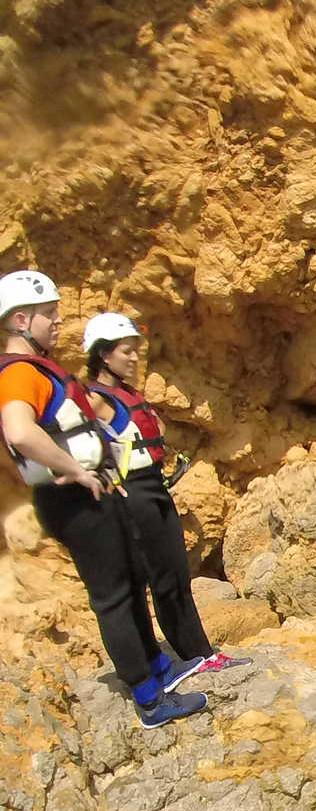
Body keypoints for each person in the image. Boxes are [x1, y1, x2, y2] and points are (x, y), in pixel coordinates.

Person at [0, 271, 205, 727]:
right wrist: (75, 469)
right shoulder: (18, 373)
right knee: (113, 595)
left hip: (95, 492)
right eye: (48, 315)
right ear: (19, 320)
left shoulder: (37, 370)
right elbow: (19, 430)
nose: (57, 322)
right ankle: (149, 700)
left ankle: (160, 669)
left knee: (133, 580)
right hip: (72, 497)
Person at [83, 313, 250, 681]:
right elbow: (71, 441)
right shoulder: (96, 398)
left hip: (154, 489)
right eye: (125, 352)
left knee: (174, 574)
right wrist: (100, 476)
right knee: (158, 578)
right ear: (103, 355)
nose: (133, 358)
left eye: (134, 352)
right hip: (133, 494)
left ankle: (197, 653)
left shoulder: (128, 394)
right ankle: (188, 657)